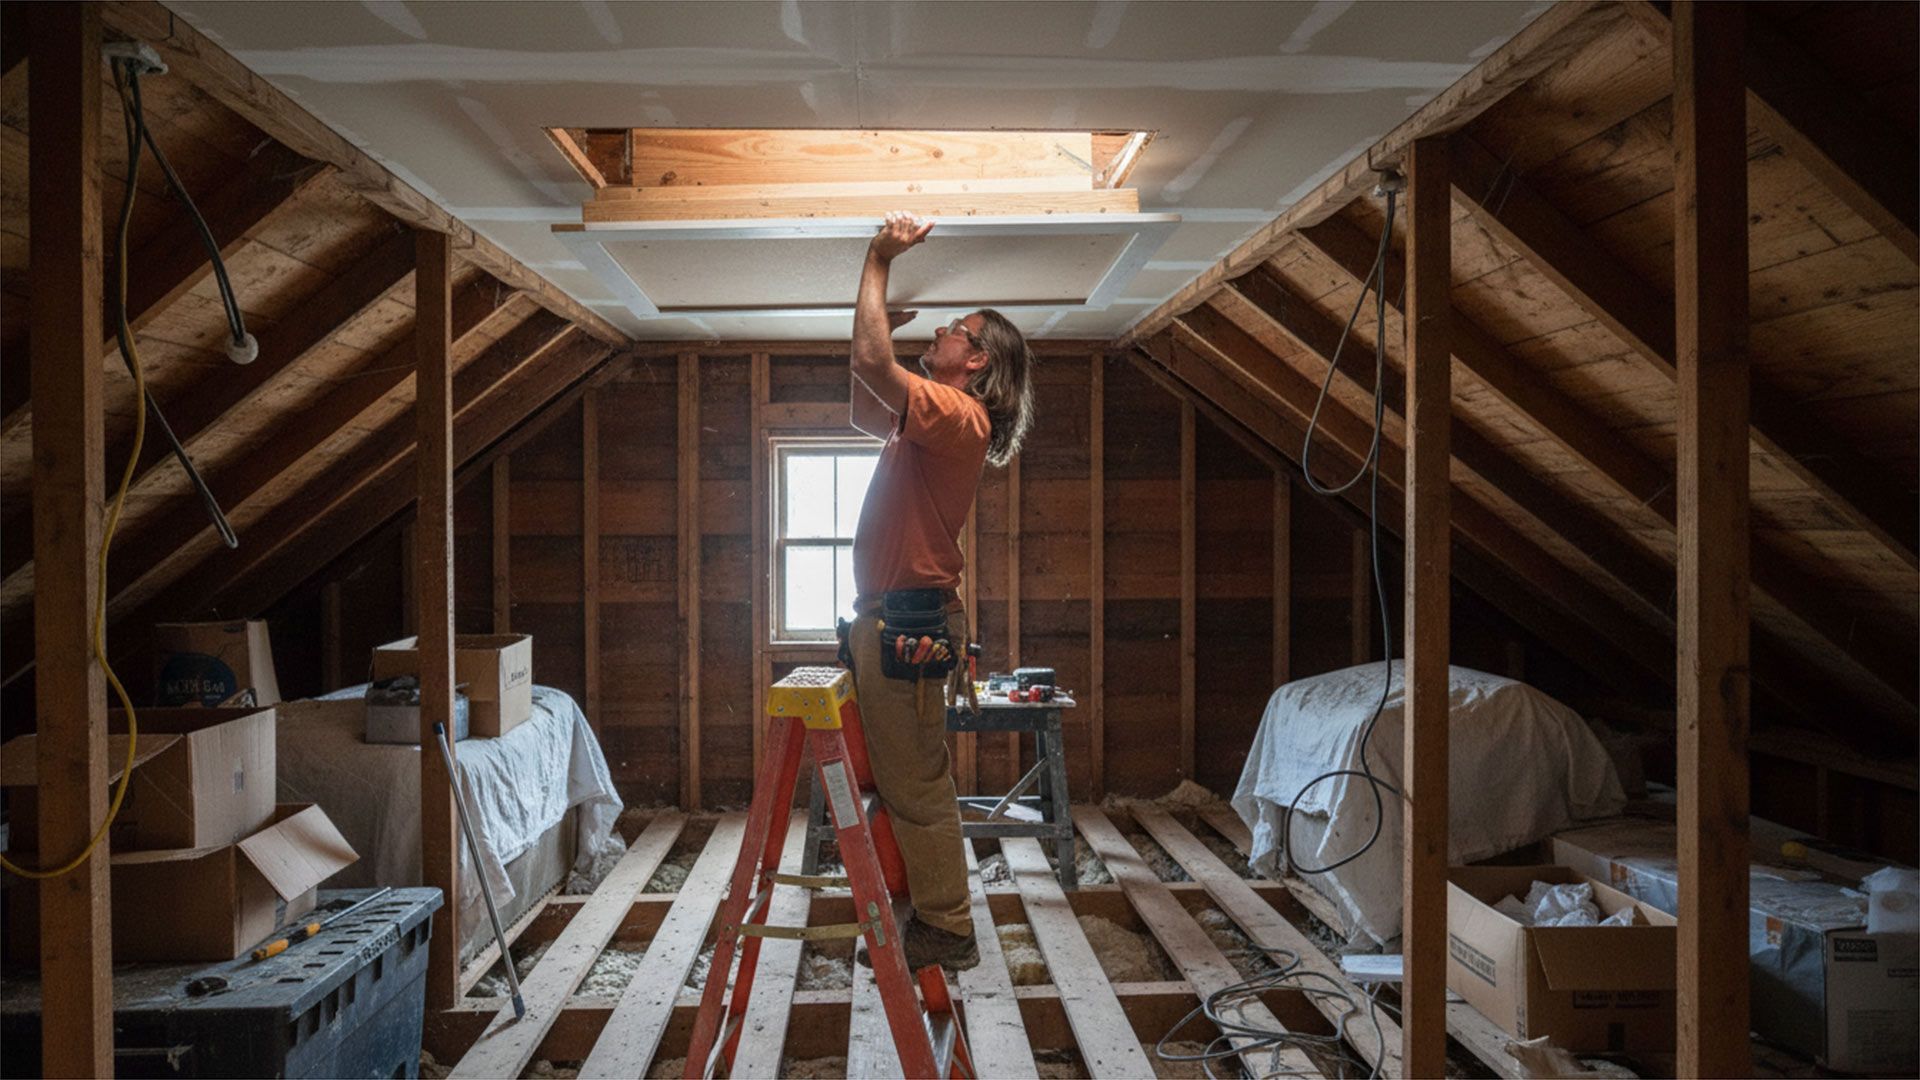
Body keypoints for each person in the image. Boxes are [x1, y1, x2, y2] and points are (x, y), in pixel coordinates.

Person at [843, 212, 1034, 971]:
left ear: (977, 358)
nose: (944, 331)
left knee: (918, 785)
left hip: (908, 621)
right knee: (902, 779)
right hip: (892, 620)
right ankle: (930, 910)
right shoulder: (925, 420)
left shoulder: (959, 414)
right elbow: (864, 384)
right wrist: (876, 334)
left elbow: (869, 359)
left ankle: (948, 929)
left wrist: (878, 259)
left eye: (955, 328)